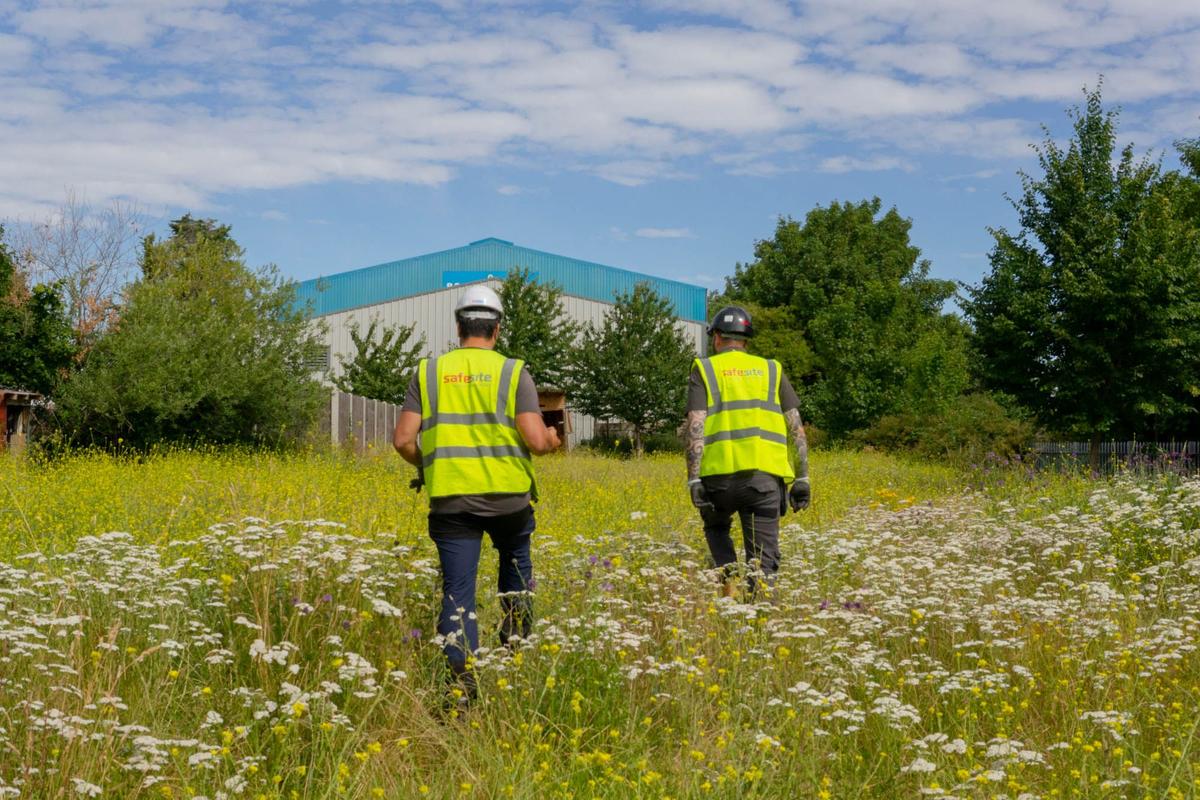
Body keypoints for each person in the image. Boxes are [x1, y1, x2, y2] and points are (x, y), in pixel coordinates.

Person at [393, 284, 560, 706]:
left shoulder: (428, 373)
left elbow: (402, 441)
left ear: (458, 326)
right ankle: (513, 656)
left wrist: (429, 466)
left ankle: (460, 692)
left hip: (452, 501)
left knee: (458, 593)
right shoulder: (512, 372)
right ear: (497, 329)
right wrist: (554, 438)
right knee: (516, 574)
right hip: (508, 500)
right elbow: (537, 442)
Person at [685, 305, 810, 598]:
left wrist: (693, 479)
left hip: (718, 479)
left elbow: (695, 425)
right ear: (746, 340)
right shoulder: (772, 369)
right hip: (763, 480)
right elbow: (796, 429)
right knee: (764, 563)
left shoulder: (704, 368)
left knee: (717, 531)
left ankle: (729, 594)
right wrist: (802, 478)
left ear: (716, 337)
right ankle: (760, 622)